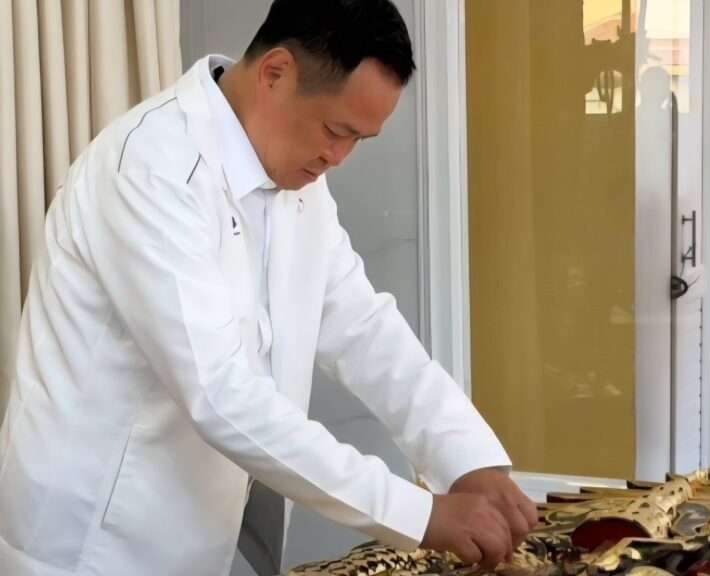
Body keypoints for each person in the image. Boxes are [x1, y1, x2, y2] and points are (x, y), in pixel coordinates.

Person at [0, 1, 537, 575]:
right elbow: (220, 391)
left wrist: (466, 459)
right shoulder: (150, 168)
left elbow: (362, 326)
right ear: (275, 72)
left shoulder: (297, 183)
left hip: (189, 537)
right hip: (84, 547)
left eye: (360, 139)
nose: (339, 158)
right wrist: (418, 513)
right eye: (336, 131)